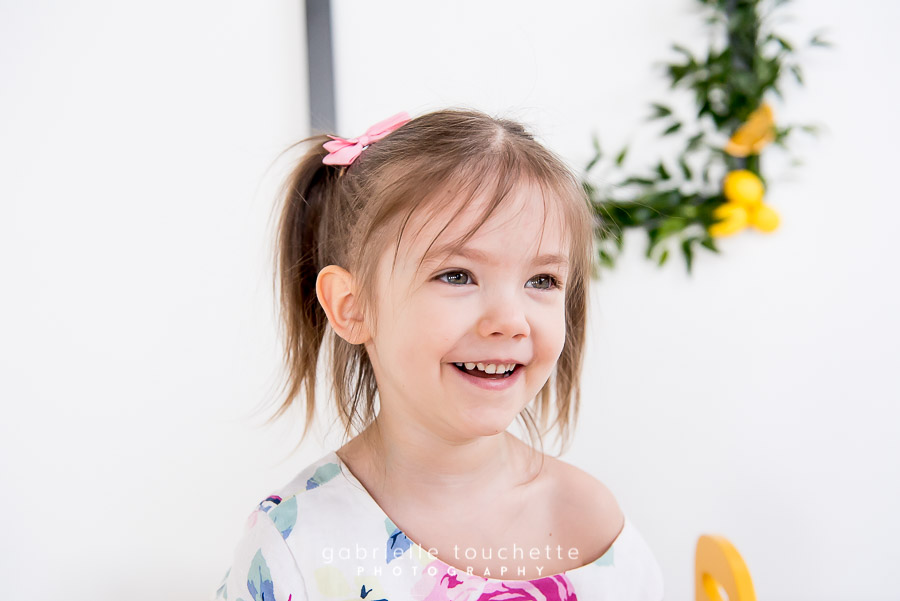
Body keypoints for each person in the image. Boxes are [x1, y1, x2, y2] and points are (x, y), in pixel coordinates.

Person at [211, 108, 664, 600]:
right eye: (457, 276)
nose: (511, 320)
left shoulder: (592, 525)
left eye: (542, 280)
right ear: (352, 306)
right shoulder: (295, 547)